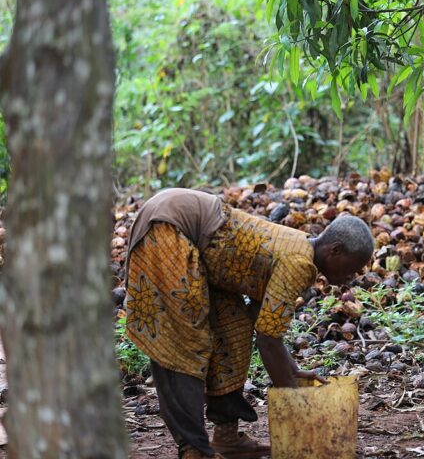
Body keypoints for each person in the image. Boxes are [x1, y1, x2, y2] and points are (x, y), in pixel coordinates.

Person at [124, 188, 374, 459]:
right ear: (335, 249)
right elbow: (268, 339)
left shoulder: (301, 247)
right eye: (353, 267)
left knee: (233, 329)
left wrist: (292, 370)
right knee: (183, 343)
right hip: (169, 225)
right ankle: (193, 449)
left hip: (196, 239)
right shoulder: (300, 263)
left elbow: (260, 318)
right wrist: (297, 406)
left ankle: (227, 436)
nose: (353, 276)